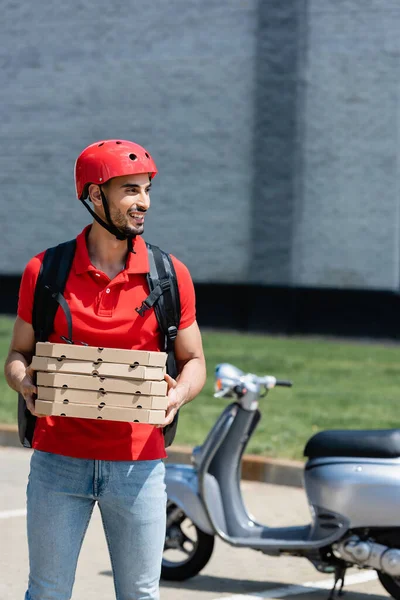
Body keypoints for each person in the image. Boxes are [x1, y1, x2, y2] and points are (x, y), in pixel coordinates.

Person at [4, 139, 207, 600]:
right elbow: (17, 354)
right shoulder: (46, 270)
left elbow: (194, 361)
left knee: (139, 594)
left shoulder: (169, 274)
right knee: (48, 591)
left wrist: (177, 395)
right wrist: (24, 382)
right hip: (59, 462)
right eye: (130, 190)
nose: (144, 202)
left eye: (147, 189)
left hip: (138, 466)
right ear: (95, 196)